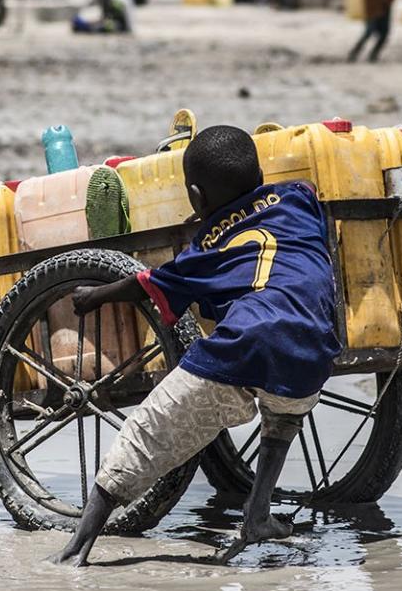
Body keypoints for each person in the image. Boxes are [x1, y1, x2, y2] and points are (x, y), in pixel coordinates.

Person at [52, 126, 341, 566]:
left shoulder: (206, 246)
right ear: (260, 172)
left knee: (149, 431)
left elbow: (150, 284)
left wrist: (95, 296)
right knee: (284, 415)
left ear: (195, 196)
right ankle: (257, 514)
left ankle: (75, 549)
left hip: (244, 344)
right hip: (315, 344)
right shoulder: (300, 198)